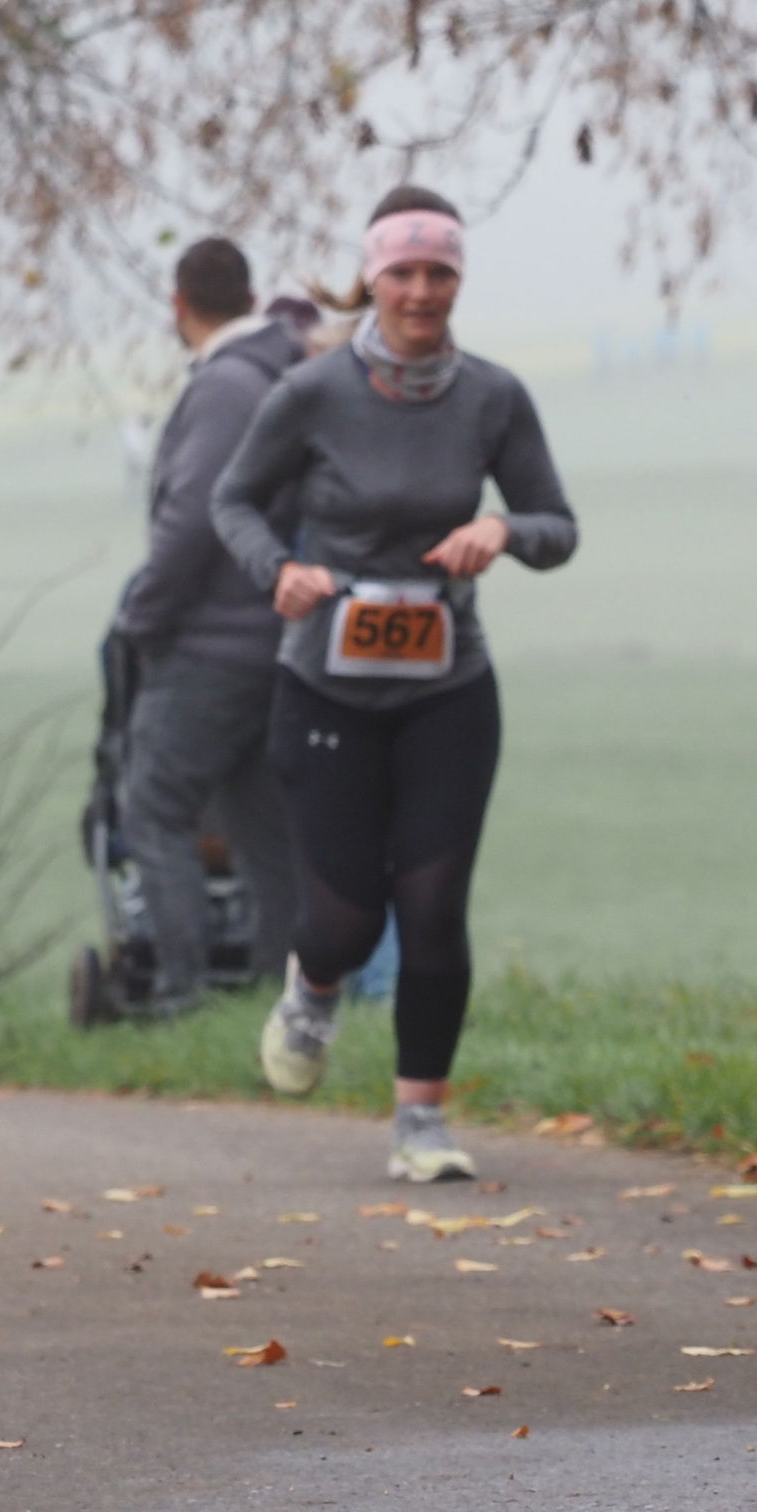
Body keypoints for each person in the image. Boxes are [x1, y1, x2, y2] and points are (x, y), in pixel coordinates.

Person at [209, 186, 576, 1181]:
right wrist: (279, 571)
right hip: (325, 686)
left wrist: (501, 528)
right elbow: (232, 500)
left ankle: (422, 1124)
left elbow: (558, 526)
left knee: (433, 909)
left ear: (459, 280)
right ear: (373, 279)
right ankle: (313, 986)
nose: (421, 291)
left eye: (439, 272)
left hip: (447, 687)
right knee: (346, 918)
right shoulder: (313, 393)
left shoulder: (492, 397)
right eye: (403, 272)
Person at [104, 237, 306, 1015]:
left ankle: (182, 990)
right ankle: (281, 993)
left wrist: (143, 618)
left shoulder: (225, 387)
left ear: (178, 306)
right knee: (262, 827)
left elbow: (194, 518)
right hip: (275, 641)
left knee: (154, 809)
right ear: (250, 298)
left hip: (210, 644)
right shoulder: (279, 374)